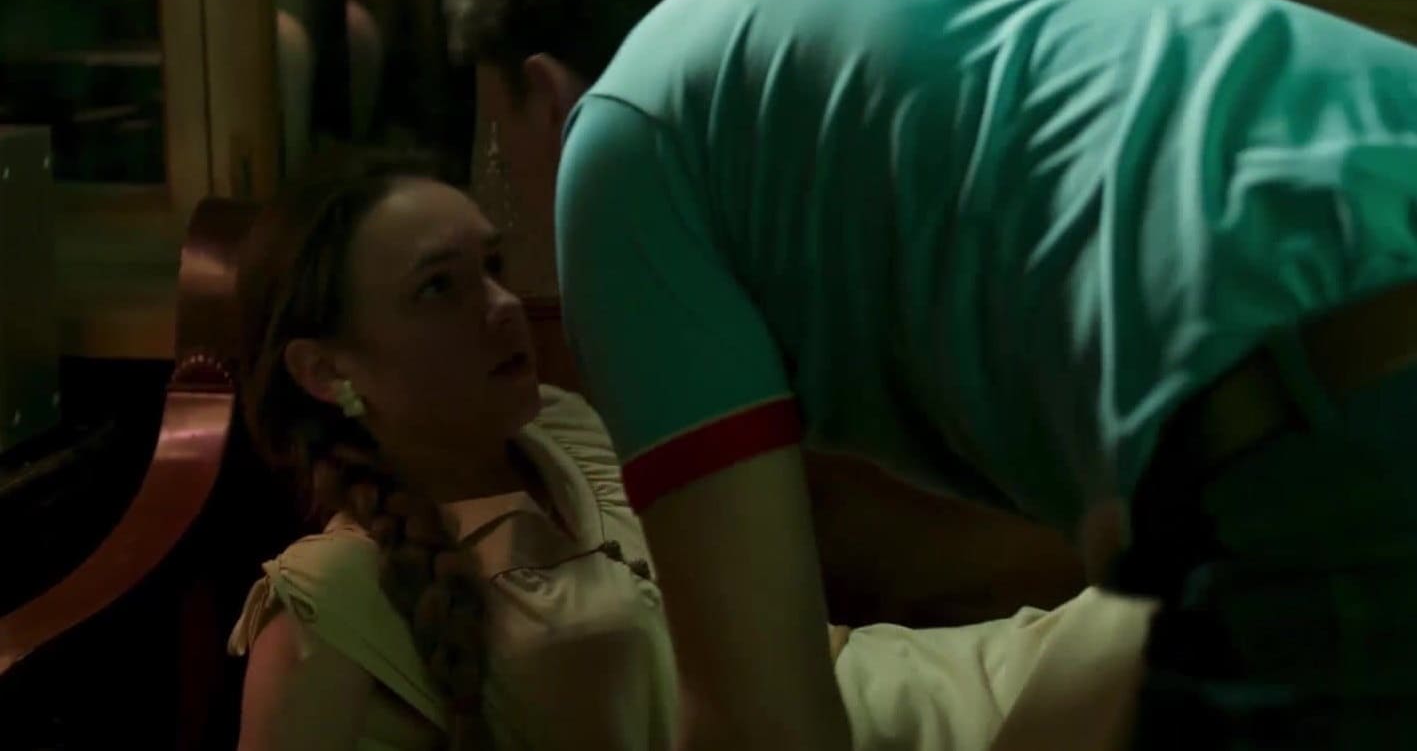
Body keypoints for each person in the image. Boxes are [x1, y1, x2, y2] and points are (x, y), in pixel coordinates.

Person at [444, 0, 1417, 751]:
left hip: (1326, 421)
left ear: (548, 94)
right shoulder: (916, 44)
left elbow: (761, 718)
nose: (519, 202)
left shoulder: (622, 131)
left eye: (502, 146)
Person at [227, 152, 1156, 751]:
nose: (503, 307)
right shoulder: (332, 600)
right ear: (326, 368)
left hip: (906, 692)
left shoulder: (565, 427)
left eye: (494, 267)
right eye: (440, 287)